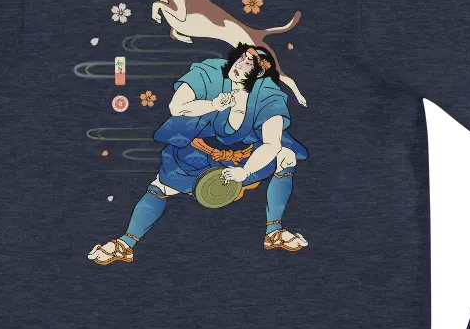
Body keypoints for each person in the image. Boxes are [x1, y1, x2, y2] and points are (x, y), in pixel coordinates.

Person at [88, 42, 309, 265]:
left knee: (286, 156)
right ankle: (125, 244)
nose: (239, 64)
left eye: (248, 63)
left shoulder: (268, 95)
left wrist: (245, 171)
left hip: (246, 158)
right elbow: (177, 107)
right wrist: (213, 104)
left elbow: (271, 143)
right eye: (240, 58)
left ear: (260, 73)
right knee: (161, 186)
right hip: (198, 153)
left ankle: (274, 232)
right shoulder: (210, 72)